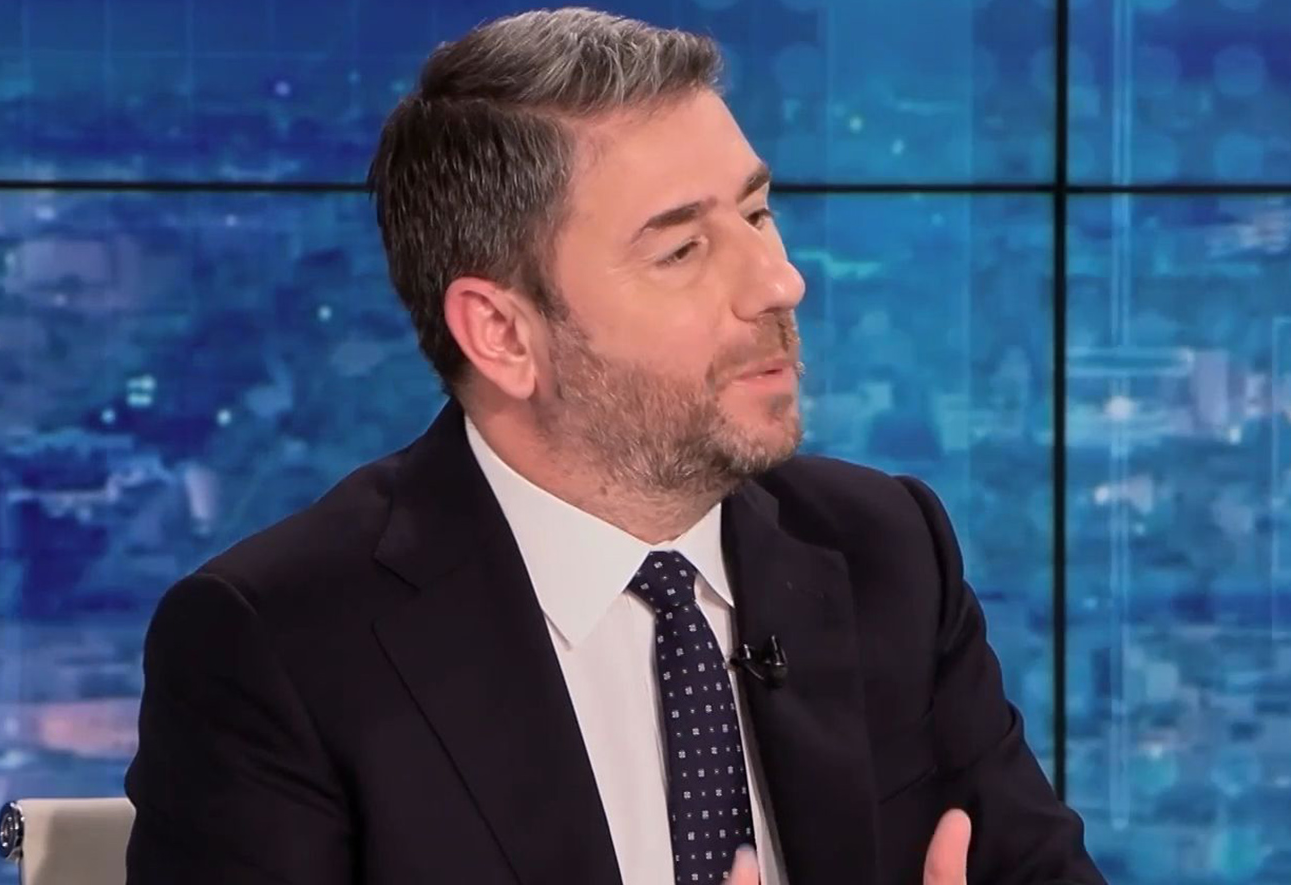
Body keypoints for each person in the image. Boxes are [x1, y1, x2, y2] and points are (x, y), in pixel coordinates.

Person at [124, 8, 1106, 884]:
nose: (778, 282)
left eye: (756, 213)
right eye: (681, 250)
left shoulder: (884, 549)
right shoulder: (278, 647)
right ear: (503, 335)